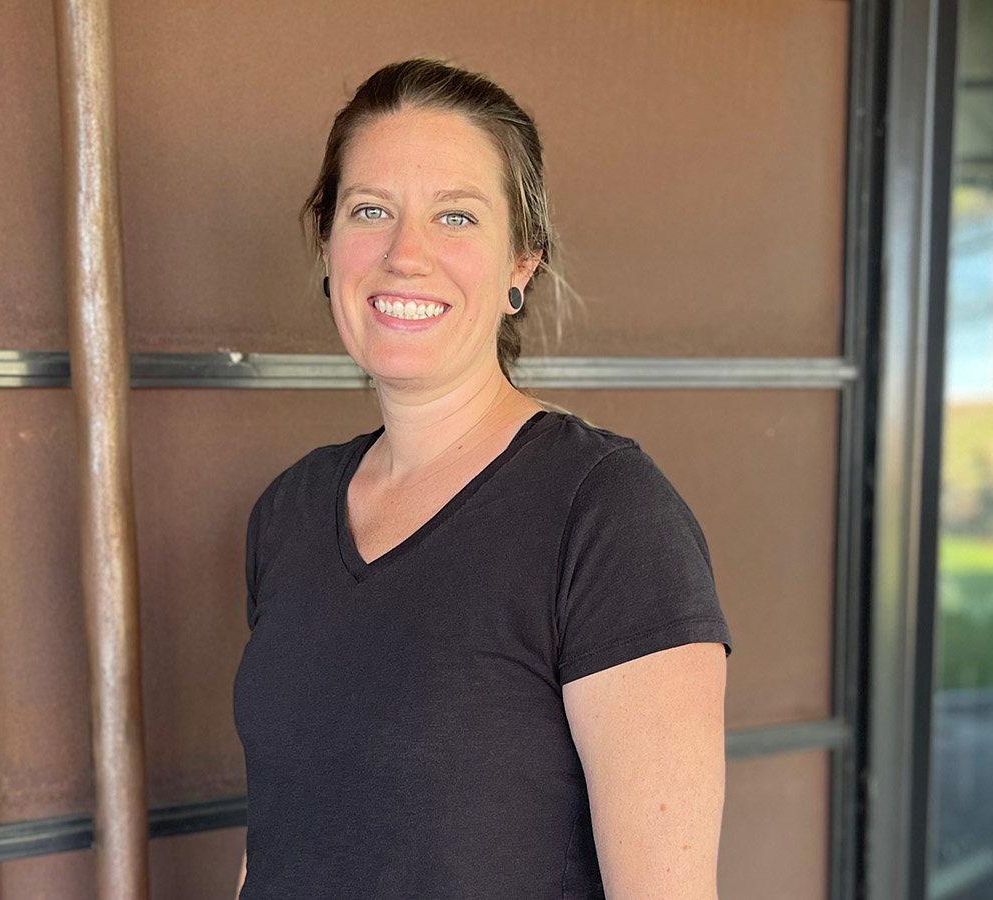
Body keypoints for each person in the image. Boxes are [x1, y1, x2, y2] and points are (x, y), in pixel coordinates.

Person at [231, 58, 732, 900]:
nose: (405, 254)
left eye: (455, 216)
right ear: (328, 244)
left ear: (520, 266)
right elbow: (282, 837)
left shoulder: (605, 513)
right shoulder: (290, 510)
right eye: (370, 211)